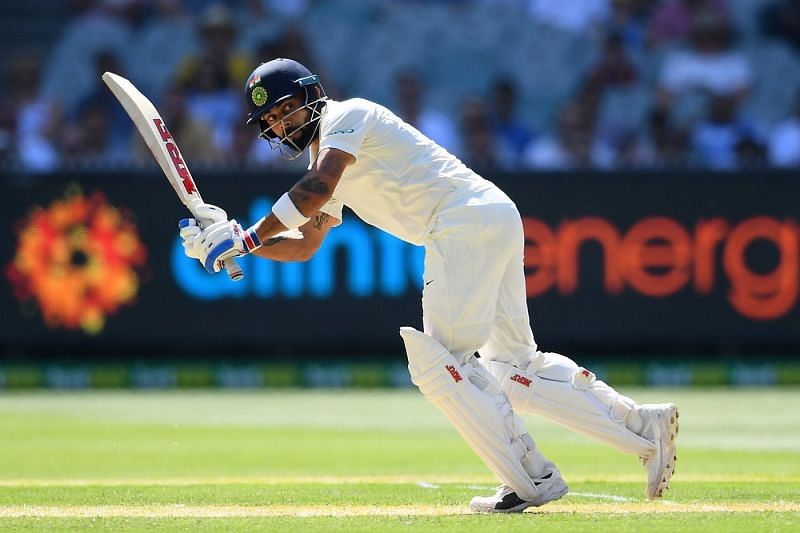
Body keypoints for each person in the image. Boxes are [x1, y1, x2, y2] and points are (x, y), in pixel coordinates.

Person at [178, 58, 679, 512]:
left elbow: (317, 190)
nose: (279, 125)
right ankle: (642, 428)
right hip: (488, 217)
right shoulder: (324, 155)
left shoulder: (347, 117)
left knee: (440, 364)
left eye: (284, 111)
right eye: (269, 122)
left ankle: (531, 480)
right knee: (514, 367)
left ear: (311, 95)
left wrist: (245, 238)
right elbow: (307, 243)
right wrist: (226, 247)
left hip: (462, 220)